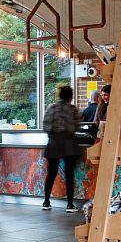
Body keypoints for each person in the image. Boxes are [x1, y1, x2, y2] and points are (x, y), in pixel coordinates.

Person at [42, 85, 81, 213]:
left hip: (53, 142)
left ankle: (46, 201)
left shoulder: (51, 108)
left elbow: (45, 125)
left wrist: (53, 134)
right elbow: (77, 126)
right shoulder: (73, 109)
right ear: (70, 96)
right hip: (69, 143)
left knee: (51, 173)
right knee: (69, 175)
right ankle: (70, 204)